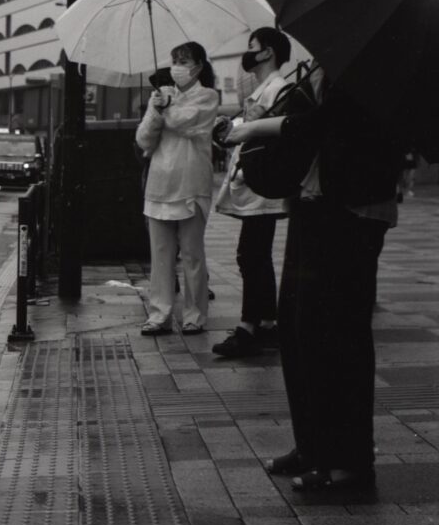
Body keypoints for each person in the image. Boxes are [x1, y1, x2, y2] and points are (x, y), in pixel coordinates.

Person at [226, 66, 403, 492]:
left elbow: (321, 122)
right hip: (313, 206)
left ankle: (350, 463)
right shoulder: (332, 59)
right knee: (299, 330)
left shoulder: (377, 68)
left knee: (339, 335)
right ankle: (314, 446)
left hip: (352, 211)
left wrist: (251, 128)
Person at [211, 27, 292, 357]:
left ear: (268, 52)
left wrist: (256, 121)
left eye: (252, 47)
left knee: (251, 255)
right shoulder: (263, 90)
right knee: (255, 255)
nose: (248, 53)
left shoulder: (280, 89)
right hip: (257, 185)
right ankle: (267, 324)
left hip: (264, 186)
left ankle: (249, 327)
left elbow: (281, 133)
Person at [135, 41, 220, 336]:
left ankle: (195, 315)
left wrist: (167, 109)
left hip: (192, 185)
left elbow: (189, 123)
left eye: (184, 60)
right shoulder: (162, 96)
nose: (178, 66)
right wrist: (156, 111)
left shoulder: (208, 97)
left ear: (198, 66)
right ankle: (159, 315)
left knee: (193, 255)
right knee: (161, 257)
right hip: (159, 184)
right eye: (174, 60)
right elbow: (144, 140)